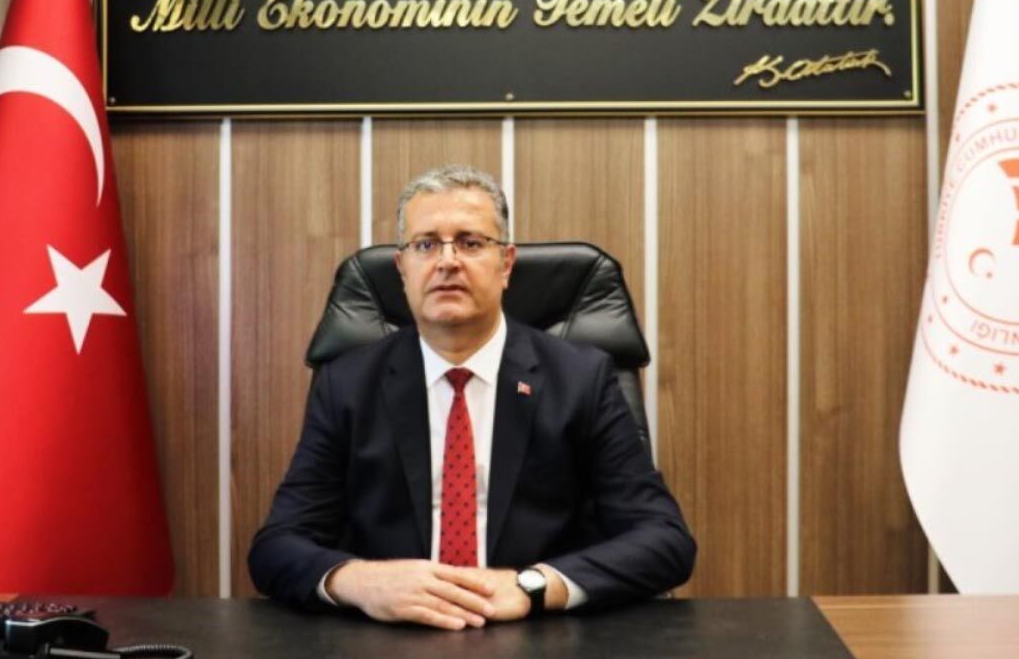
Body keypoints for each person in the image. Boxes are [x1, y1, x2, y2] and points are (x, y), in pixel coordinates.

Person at [248, 165, 695, 629]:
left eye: (470, 242)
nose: (447, 261)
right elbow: (277, 546)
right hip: (391, 635)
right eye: (425, 245)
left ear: (506, 264)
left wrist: (532, 586)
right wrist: (362, 582)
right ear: (402, 269)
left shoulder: (580, 379)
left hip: (538, 632)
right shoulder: (348, 384)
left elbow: (664, 539)